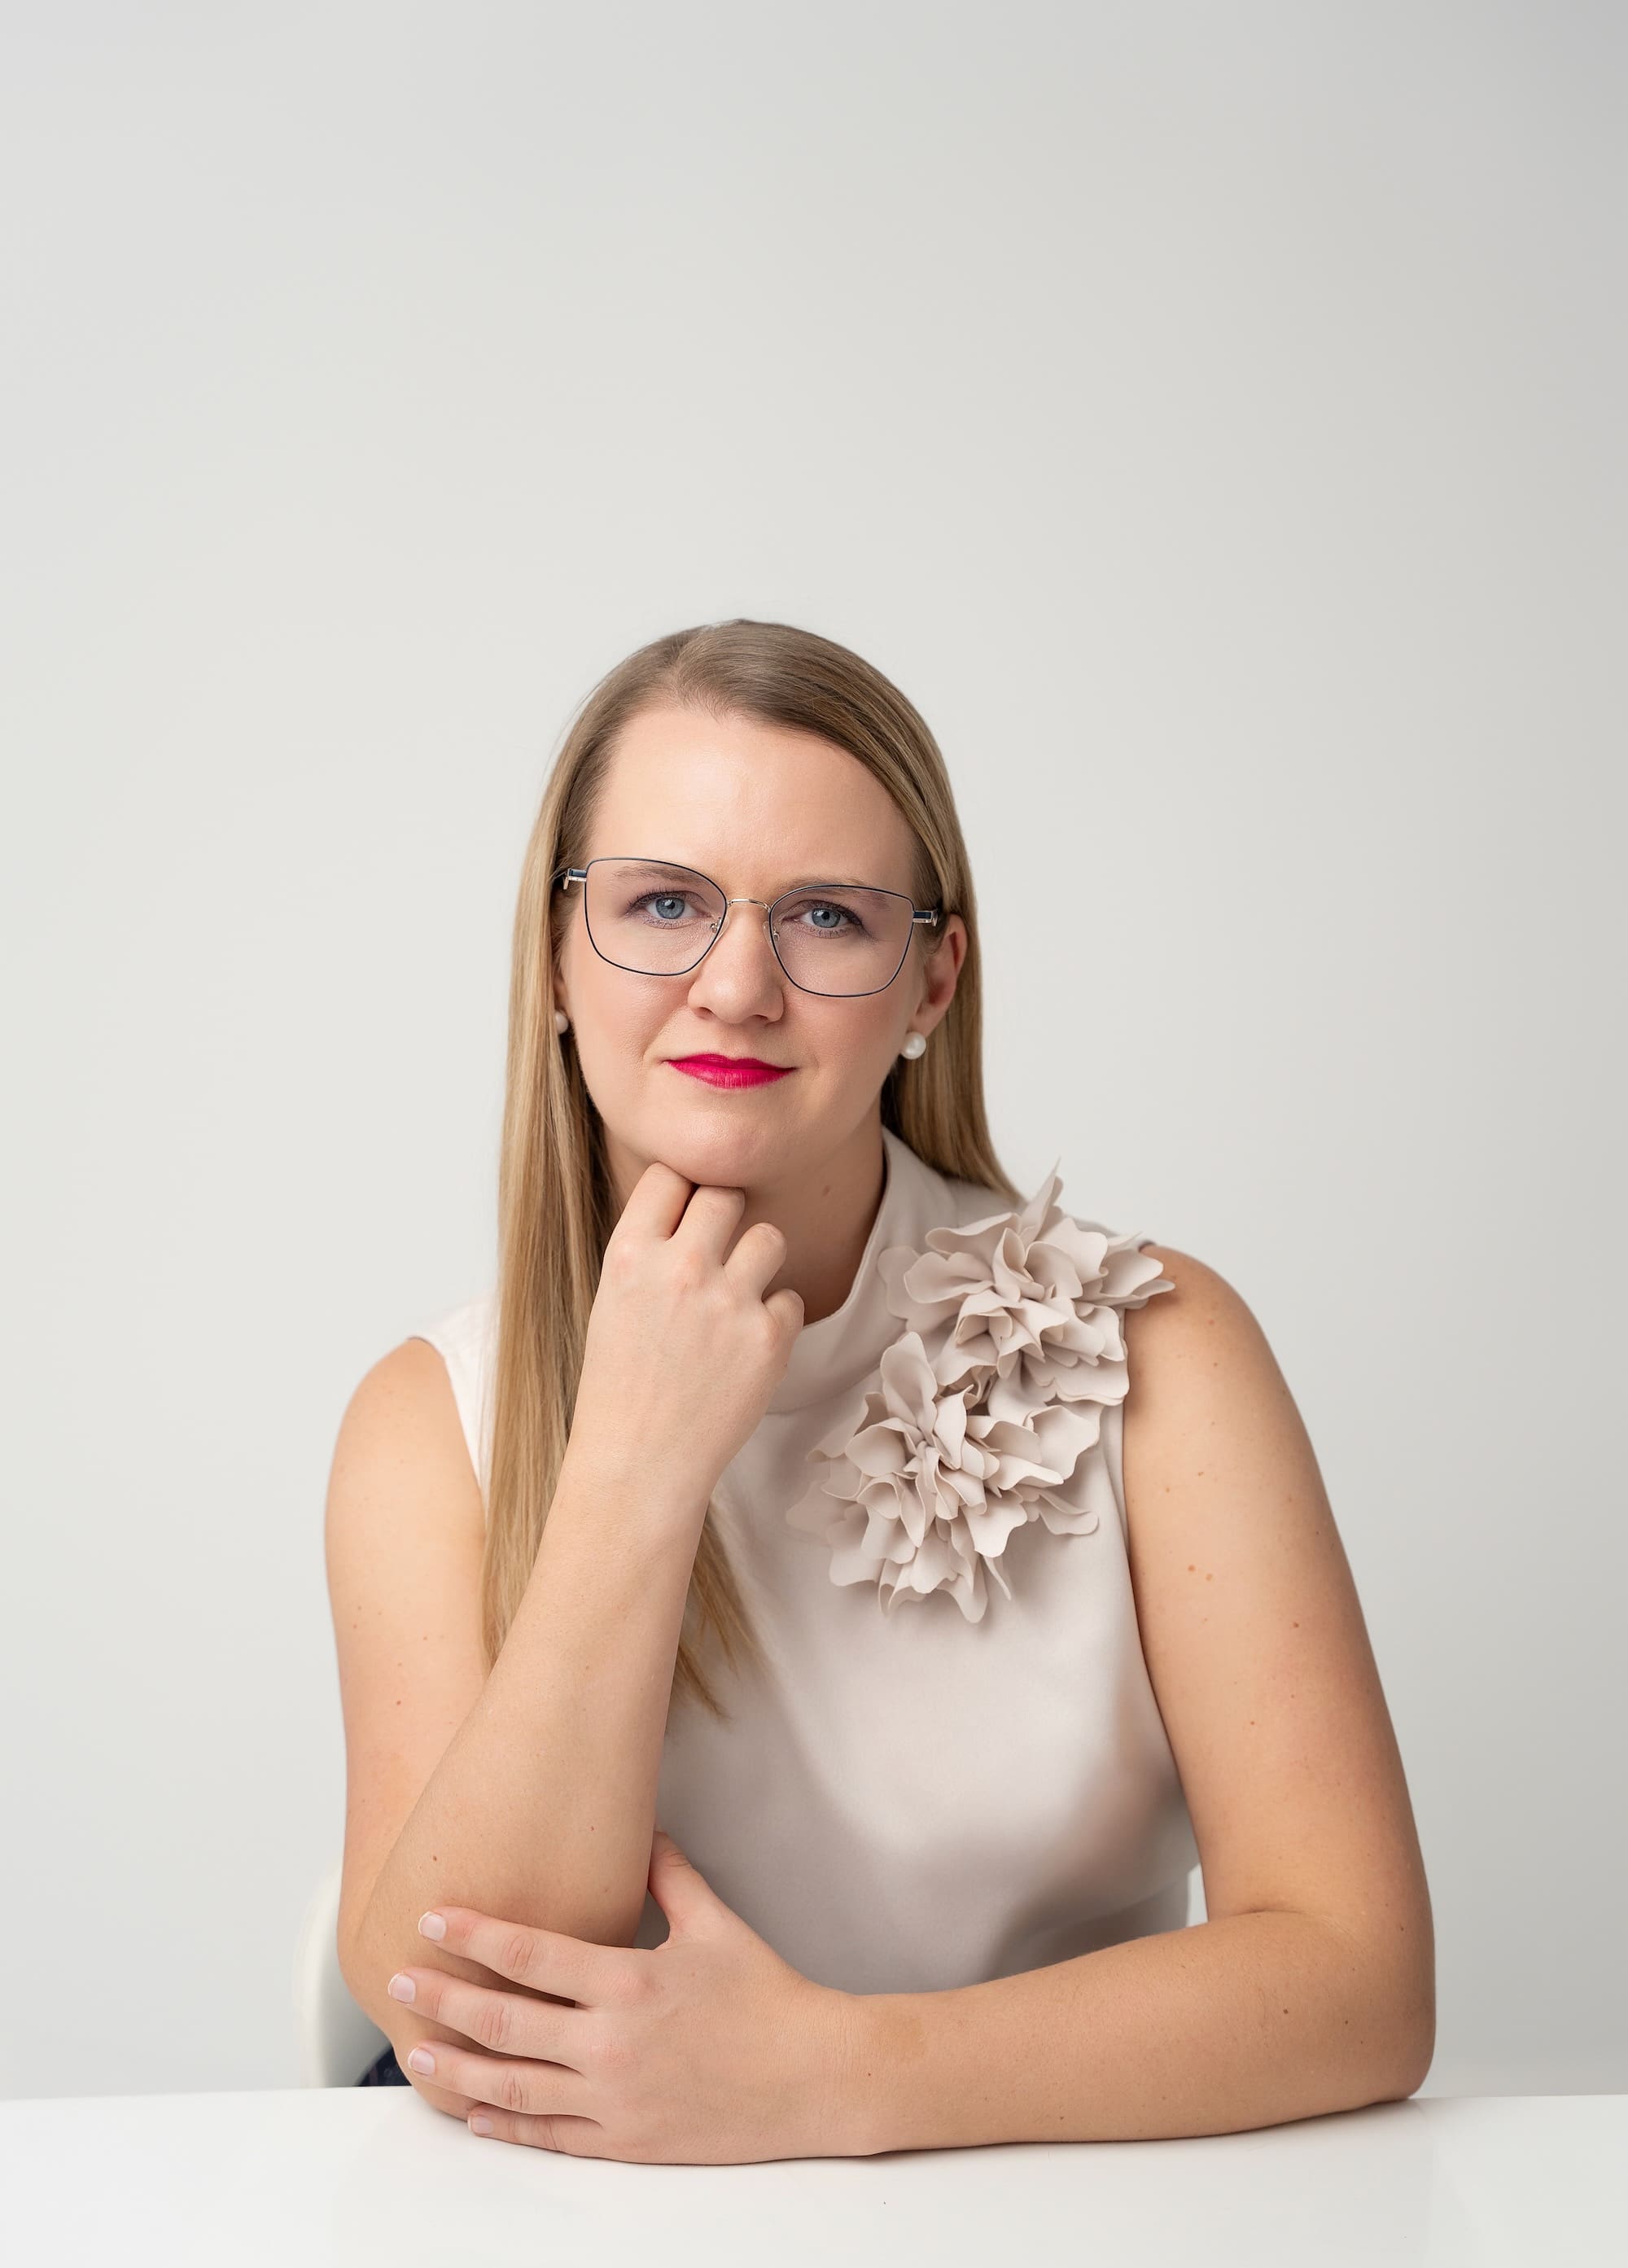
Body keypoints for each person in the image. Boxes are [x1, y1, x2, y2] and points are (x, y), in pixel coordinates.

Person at [326, 618, 1434, 2156]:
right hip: (584, 2241)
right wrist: (633, 1469)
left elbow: (1360, 1980)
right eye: (662, 903)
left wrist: (837, 2077)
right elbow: (450, 2007)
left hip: (1063, 2232)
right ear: (555, 961)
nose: (736, 987)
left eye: (828, 919)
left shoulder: (1163, 1355)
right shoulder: (428, 1422)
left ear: (930, 983)